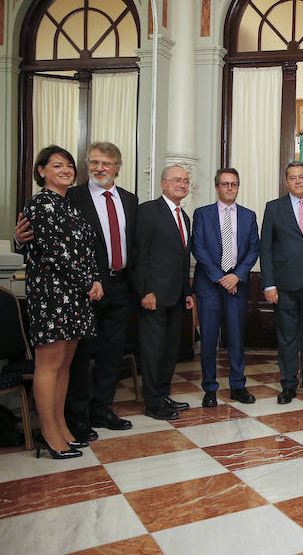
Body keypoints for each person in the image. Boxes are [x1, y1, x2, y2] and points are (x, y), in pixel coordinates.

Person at [15, 141, 137, 440]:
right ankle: (75, 418)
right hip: (70, 290)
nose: (99, 168)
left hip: (116, 284)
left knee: (109, 353)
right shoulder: (71, 195)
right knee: (75, 357)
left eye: (106, 164)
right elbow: (44, 242)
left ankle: (101, 408)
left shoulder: (129, 200)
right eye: (94, 162)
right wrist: (19, 240)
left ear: (117, 169)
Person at [23, 146, 103, 458]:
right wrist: (88, 282)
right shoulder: (41, 204)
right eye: (57, 165)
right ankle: (49, 432)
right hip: (52, 295)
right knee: (49, 365)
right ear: (41, 171)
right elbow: (56, 252)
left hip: (76, 296)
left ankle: (61, 426)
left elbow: (86, 248)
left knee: (65, 365)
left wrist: (95, 279)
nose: (66, 170)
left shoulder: (70, 206)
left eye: (69, 165)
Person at [260, 162, 303, 404]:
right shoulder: (273, 208)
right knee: (287, 337)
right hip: (284, 285)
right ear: (286, 181)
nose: (298, 181)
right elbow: (266, 249)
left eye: (302, 177)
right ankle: (289, 384)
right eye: (292, 177)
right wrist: (268, 284)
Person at [191, 168, 260, 408]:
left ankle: (238, 386)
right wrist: (222, 278)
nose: (229, 188)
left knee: (236, 338)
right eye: (224, 184)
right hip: (210, 286)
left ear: (238, 187)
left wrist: (236, 276)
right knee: (209, 339)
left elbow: (253, 249)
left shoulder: (249, 216)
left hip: (237, 287)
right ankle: (210, 388)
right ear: (217, 187)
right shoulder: (202, 214)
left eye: (233, 184)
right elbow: (198, 248)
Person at [133, 165, 194, 420]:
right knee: (153, 350)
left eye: (186, 181)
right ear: (163, 184)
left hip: (177, 295)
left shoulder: (185, 217)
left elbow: (183, 259)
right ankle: (153, 402)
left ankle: (164, 394)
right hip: (154, 296)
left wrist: (188, 291)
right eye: (177, 180)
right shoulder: (148, 211)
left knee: (170, 349)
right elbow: (140, 255)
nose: (182, 184)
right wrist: (145, 291)